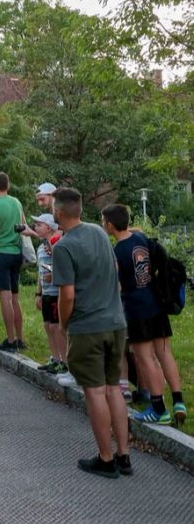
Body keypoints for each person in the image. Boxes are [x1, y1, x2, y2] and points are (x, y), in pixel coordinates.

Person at [51, 188, 131, 478]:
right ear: (80, 209)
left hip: (88, 327)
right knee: (114, 389)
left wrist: (64, 322)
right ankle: (124, 455)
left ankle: (105, 459)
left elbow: (68, 295)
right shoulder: (99, 233)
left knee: (95, 392)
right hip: (116, 322)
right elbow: (114, 269)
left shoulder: (63, 246)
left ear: (59, 213)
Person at [101, 204, 186, 426]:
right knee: (165, 353)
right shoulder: (143, 240)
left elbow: (116, 286)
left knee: (144, 357)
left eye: (103, 221)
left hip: (137, 309)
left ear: (110, 225)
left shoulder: (116, 252)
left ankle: (159, 409)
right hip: (157, 304)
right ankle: (178, 401)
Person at [0, 172, 27, 352]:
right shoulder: (16, 202)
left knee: (5, 297)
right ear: (8, 185)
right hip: (16, 253)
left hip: (0, 254)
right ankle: (20, 338)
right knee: (15, 298)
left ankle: (10, 340)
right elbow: (23, 226)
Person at [30, 214, 68, 376]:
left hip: (57, 292)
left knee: (56, 327)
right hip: (46, 292)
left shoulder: (57, 243)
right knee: (47, 325)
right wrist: (38, 292)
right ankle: (55, 358)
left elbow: (63, 265)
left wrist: (54, 276)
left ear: (49, 227)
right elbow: (40, 271)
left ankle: (65, 362)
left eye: (38, 224)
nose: (35, 227)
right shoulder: (41, 246)